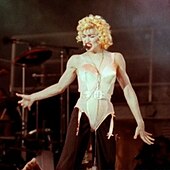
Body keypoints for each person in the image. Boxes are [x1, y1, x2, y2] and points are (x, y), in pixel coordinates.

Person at [16, 14, 154, 170]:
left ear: (101, 36)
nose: (86, 40)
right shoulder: (77, 60)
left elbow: (127, 89)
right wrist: (33, 97)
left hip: (105, 113)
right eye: (84, 36)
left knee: (107, 163)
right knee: (68, 161)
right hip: (83, 111)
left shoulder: (116, 58)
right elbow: (60, 86)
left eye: (91, 36)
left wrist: (139, 121)